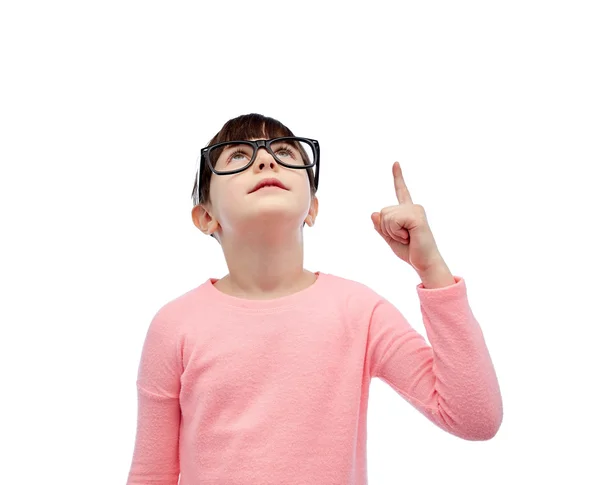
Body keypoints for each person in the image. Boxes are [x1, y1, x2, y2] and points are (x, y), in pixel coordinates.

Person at [126, 113, 503, 485]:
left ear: (313, 208)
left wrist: (431, 268)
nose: (266, 159)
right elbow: (151, 474)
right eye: (238, 155)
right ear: (205, 217)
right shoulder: (174, 326)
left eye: (286, 152)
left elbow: (475, 418)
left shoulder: (359, 312)